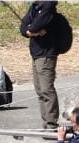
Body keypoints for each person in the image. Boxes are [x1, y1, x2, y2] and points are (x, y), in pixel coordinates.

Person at [20, 0, 61, 128]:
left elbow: (35, 26)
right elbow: (23, 28)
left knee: (46, 90)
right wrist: (33, 32)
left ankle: (51, 124)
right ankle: (46, 123)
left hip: (46, 55)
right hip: (35, 54)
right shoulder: (34, 7)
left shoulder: (48, 5)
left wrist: (32, 30)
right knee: (39, 90)